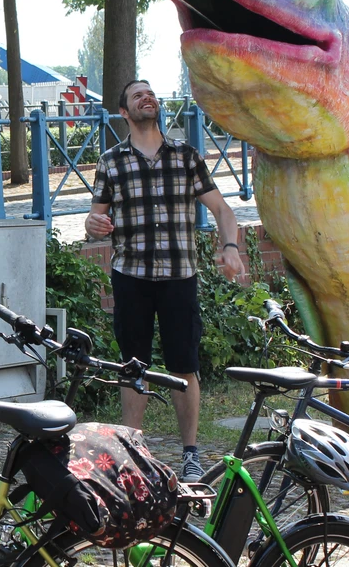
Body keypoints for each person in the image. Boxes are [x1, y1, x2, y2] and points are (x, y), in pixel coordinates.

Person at [84, 80, 244, 480]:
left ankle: (190, 453)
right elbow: (94, 220)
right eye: (136, 94)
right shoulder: (111, 161)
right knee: (132, 364)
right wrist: (93, 224)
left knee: (184, 364)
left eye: (150, 92)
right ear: (124, 112)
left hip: (179, 276)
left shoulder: (186, 157)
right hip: (131, 275)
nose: (146, 97)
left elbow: (223, 210)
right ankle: (132, 452)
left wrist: (230, 246)